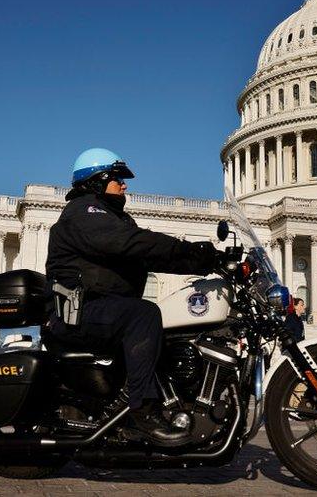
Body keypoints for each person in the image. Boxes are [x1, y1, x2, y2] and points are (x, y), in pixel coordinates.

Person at [44, 148, 220, 446]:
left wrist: (205, 262)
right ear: (96, 181)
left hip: (100, 310)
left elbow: (150, 257)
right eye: (117, 178)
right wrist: (189, 249)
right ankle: (142, 410)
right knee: (144, 313)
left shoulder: (114, 219)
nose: (124, 185)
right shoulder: (84, 212)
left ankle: (169, 400)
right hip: (78, 313)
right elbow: (132, 244)